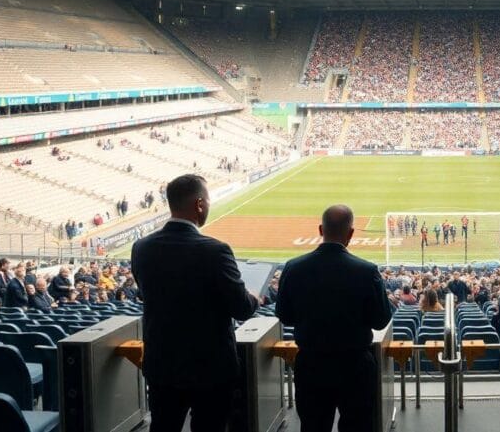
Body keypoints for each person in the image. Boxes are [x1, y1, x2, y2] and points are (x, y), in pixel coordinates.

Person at [131, 174, 260, 432]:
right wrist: (255, 297)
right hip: (211, 368)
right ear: (200, 204)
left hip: (162, 364)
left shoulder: (141, 247)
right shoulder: (216, 250)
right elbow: (242, 308)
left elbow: (148, 295)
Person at [275, 205, 393, 432]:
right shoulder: (366, 271)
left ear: (321, 229)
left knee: (313, 426)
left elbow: (285, 316)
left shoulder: (294, 268)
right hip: (355, 365)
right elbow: (380, 320)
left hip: (311, 365)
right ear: (350, 234)